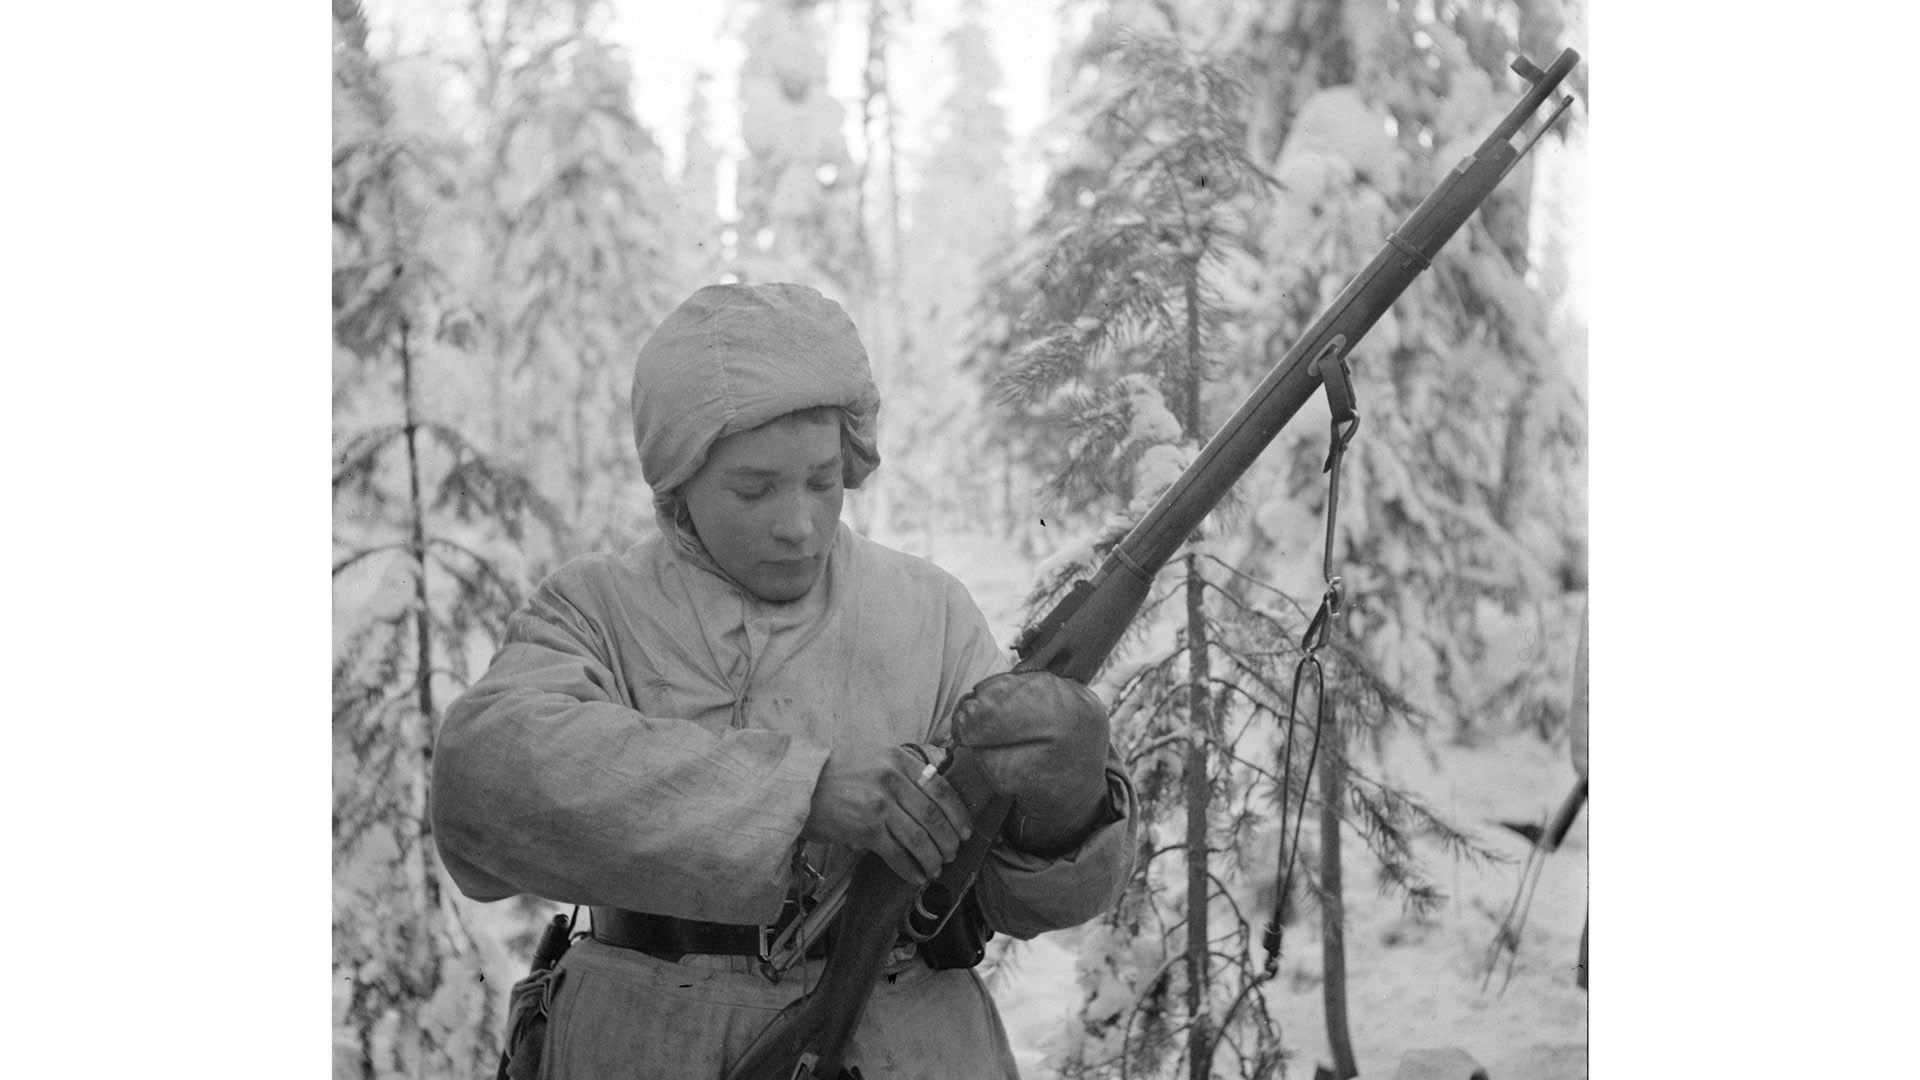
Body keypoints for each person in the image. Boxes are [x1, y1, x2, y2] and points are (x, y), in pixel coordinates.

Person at [431, 283, 1138, 1079]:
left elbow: (1024, 902)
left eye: (823, 480)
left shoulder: (928, 610)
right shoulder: (596, 608)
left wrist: (1066, 800)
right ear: (680, 483)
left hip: (901, 1037)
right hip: (640, 1041)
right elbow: (480, 788)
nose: (799, 523)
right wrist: (799, 794)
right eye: (754, 489)